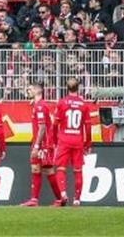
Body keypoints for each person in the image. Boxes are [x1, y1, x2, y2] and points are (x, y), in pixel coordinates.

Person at [53, 77, 93, 206]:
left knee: (60, 168)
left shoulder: (62, 103)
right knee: (78, 170)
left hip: (64, 139)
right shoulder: (83, 104)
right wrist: (88, 144)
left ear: (66, 88)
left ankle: (63, 194)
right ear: (79, 88)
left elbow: (55, 124)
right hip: (78, 140)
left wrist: (54, 140)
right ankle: (77, 199)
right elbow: (88, 126)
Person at [21, 82, 63, 206]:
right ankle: (34, 199)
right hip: (41, 143)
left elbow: (42, 127)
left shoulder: (40, 106)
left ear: (37, 91)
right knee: (36, 168)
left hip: (43, 144)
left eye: (29, 89)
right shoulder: (38, 105)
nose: (27, 91)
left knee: (48, 170)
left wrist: (37, 146)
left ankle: (60, 199)